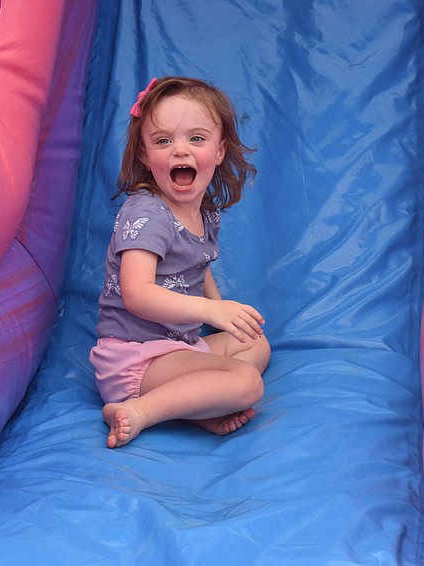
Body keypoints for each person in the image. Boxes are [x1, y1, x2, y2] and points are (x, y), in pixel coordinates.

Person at [90, 76, 270, 448]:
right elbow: (136, 294)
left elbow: (196, 267)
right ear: (144, 155)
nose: (180, 151)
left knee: (256, 345)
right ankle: (139, 411)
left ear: (220, 151)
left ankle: (196, 406)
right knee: (246, 382)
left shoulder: (205, 214)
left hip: (178, 346)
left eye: (197, 138)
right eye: (163, 141)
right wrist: (210, 312)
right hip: (134, 357)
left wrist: (220, 309)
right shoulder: (147, 212)